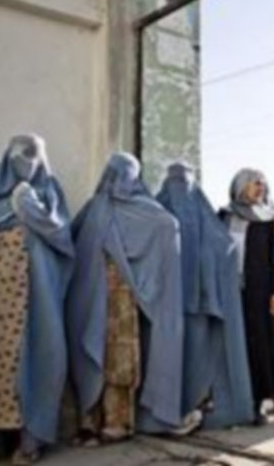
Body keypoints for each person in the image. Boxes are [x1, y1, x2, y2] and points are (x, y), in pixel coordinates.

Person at [0, 134, 74, 465]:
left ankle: (30, 440)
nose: (25, 162)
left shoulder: (49, 194)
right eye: (19, 155)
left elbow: (62, 237)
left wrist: (28, 207)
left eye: (32, 154)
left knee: (38, 357)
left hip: (35, 293)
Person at [68, 153, 188, 441]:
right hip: (91, 297)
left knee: (119, 359)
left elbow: (168, 226)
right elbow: (73, 243)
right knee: (89, 351)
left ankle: (118, 422)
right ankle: (89, 420)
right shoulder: (95, 208)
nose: (123, 181)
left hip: (123, 300)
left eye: (129, 174)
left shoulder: (148, 211)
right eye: (117, 174)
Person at [156, 163, 255, 428]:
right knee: (167, 358)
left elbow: (225, 248)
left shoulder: (210, 218)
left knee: (199, 357)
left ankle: (196, 406)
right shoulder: (157, 213)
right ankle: (167, 413)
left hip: (200, 302)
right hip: (166, 305)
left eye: (185, 184)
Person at [219, 168, 274, 425]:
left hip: (260, 293)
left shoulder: (268, 219)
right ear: (240, 186)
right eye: (254, 183)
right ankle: (234, 401)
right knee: (234, 345)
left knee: (259, 347)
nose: (260, 187)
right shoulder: (225, 216)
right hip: (232, 291)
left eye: (263, 183)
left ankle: (258, 402)